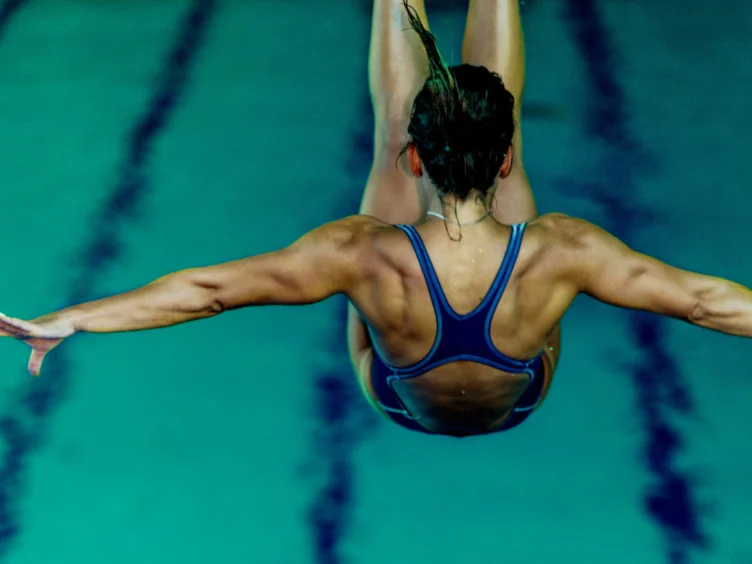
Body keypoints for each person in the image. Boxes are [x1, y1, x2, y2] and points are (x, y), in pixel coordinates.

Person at [1, 1, 750, 438]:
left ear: (419, 168)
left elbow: (209, 290)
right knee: (511, 178)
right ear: (507, 167)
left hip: (398, 390)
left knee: (397, 129)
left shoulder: (360, 253)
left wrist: (75, 320)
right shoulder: (566, 248)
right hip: (521, 387)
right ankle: (473, 132)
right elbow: (705, 301)